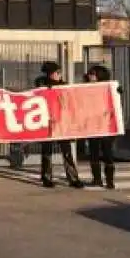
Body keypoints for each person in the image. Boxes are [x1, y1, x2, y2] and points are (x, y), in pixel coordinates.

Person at [35, 61, 84, 189]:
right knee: (47, 150)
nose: (59, 75)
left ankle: (73, 178)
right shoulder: (41, 84)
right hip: (47, 122)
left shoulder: (63, 85)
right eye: (57, 72)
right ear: (50, 74)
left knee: (66, 151)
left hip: (62, 122)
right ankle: (46, 177)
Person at [84, 64, 118, 189]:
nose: (90, 76)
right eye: (90, 74)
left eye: (93, 74)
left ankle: (110, 180)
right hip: (93, 125)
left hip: (106, 126)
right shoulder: (85, 89)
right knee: (94, 153)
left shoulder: (109, 88)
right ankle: (97, 178)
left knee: (108, 154)